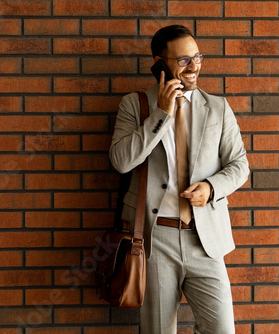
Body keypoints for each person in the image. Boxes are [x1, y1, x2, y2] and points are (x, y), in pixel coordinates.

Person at [109, 25, 249, 334]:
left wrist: (212, 188)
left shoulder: (218, 108)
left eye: (197, 57)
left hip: (205, 240)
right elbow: (121, 162)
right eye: (183, 59)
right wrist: (161, 112)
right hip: (155, 240)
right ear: (160, 63)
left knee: (222, 329)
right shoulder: (136, 105)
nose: (194, 66)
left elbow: (240, 166)